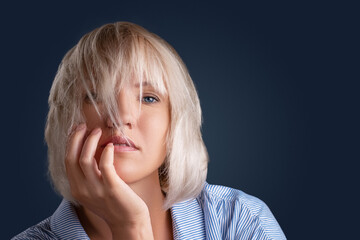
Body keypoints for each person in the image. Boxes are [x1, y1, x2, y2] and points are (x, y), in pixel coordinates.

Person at [12, 22, 286, 240]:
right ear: (66, 121)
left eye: (148, 97)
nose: (121, 117)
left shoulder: (242, 221)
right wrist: (129, 227)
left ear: (175, 122)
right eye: (95, 97)